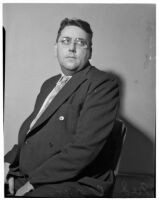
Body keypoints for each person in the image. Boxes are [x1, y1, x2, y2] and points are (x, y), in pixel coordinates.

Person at [4, 18, 120, 197]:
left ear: (89, 52)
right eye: (65, 41)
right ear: (55, 48)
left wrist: (34, 182)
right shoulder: (49, 84)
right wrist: (11, 167)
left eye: (80, 43)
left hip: (74, 181)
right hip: (31, 172)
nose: (72, 48)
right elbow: (31, 131)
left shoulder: (102, 83)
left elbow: (84, 149)